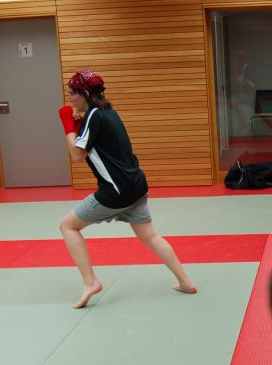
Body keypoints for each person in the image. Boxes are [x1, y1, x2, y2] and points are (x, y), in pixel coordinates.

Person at [58, 69, 197, 309]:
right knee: (150, 236)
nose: (70, 98)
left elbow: (77, 155)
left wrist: (68, 128)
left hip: (116, 192)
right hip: (137, 186)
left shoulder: (93, 116)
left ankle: (90, 282)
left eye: (72, 93)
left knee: (68, 226)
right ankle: (186, 282)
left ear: (85, 93)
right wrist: (80, 127)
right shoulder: (109, 113)